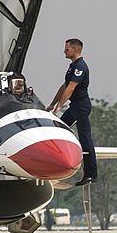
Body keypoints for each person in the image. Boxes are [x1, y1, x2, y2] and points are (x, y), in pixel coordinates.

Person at [48, 37, 97, 185]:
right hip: (74, 106)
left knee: (85, 138)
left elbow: (71, 88)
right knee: (58, 129)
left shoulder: (80, 66)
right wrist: (53, 104)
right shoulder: (72, 66)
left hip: (81, 106)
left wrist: (59, 107)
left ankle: (91, 174)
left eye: (67, 49)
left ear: (75, 49)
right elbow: (65, 86)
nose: (64, 51)